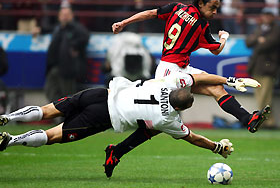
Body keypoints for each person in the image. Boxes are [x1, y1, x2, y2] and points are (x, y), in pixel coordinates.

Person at [0, 73, 264, 170]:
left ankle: (7, 118)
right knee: (53, 135)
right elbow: (193, 138)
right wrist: (217, 147)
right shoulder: (167, 120)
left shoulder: (167, 82)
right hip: (102, 117)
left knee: (47, 110)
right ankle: (10, 141)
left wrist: (228, 79)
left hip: (101, 93)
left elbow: (199, 78)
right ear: (183, 108)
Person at [112, 0, 268, 133]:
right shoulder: (201, 25)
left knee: (216, 88)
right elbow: (216, 50)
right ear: (201, 3)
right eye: (212, 8)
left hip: (177, 67)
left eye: (216, 9)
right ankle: (118, 133)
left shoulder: (176, 8)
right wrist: (224, 37)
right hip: (170, 71)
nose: (214, 12)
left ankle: (248, 119)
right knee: (160, 121)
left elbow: (151, 13)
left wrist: (124, 22)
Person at [44, 6, 89, 102]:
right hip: (55, 66)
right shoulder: (57, 29)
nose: (65, 17)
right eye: (62, 15)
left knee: (68, 95)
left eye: (67, 15)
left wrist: (74, 46)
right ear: (59, 16)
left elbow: (85, 37)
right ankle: (56, 112)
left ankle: (67, 115)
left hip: (69, 68)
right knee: (51, 89)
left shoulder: (77, 28)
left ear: (72, 16)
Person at [245, 8, 280, 128]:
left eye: (269, 15)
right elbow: (248, 42)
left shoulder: (276, 29)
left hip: (269, 67)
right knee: (260, 95)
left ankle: (263, 121)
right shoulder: (260, 29)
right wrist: (258, 40)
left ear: (273, 17)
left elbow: (269, 44)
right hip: (257, 67)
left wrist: (258, 41)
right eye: (265, 15)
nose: (267, 17)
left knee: (265, 96)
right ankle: (266, 121)